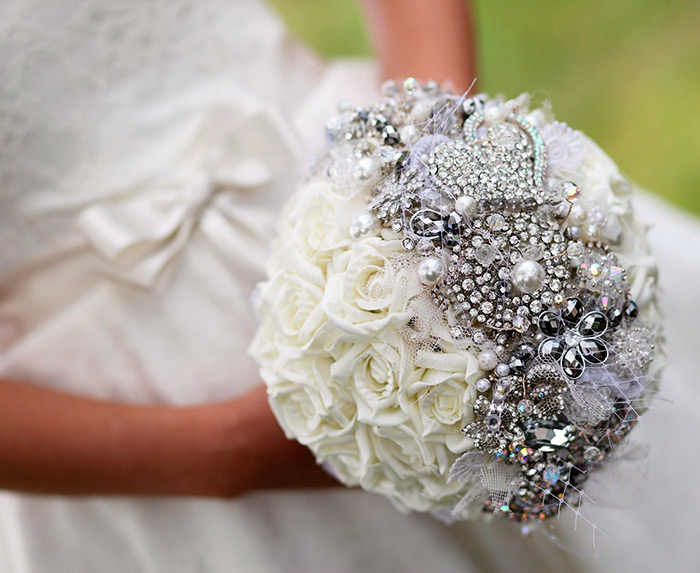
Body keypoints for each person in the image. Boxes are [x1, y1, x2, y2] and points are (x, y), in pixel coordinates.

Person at [0, 1, 698, 571]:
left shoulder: (440, 190)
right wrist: (220, 453)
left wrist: (442, 163)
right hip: (133, 430)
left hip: (381, 184)